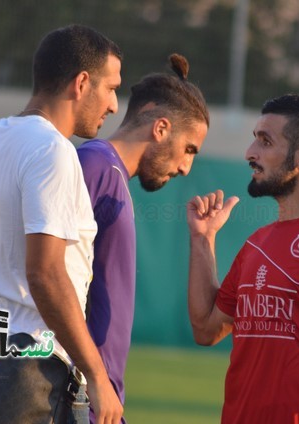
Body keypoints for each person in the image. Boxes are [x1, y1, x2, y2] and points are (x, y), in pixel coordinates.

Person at [0, 24, 124, 423]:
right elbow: (46, 273)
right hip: (31, 379)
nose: (115, 105)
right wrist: (98, 377)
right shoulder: (54, 151)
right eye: (111, 87)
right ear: (82, 83)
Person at [186, 94, 299, 423]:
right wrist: (202, 239)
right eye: (254, 140)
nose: (251, 153)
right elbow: (206, 329)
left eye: (265, 142)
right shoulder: (257, 244)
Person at [77, 53, 209, 423]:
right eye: (189, 149)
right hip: (77, 395)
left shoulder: (112, 175)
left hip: (97, 399)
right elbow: (47, 274)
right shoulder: (95, 166)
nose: (186, 167)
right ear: (161, 128)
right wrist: (94, 379)